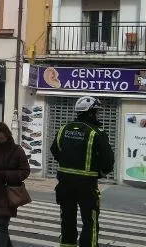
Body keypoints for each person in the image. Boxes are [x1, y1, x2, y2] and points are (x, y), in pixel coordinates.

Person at [49, 96, 115, 247]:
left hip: (64, 184)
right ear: (90, 113)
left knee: (67, 222)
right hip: (87, 186)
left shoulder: (63, 129)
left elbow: (54, 150)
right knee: (90, 223)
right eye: (96, 112)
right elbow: (108, 160)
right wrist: (101, 172)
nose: (97, 115)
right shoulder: (96, 132)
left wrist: (68, 165)